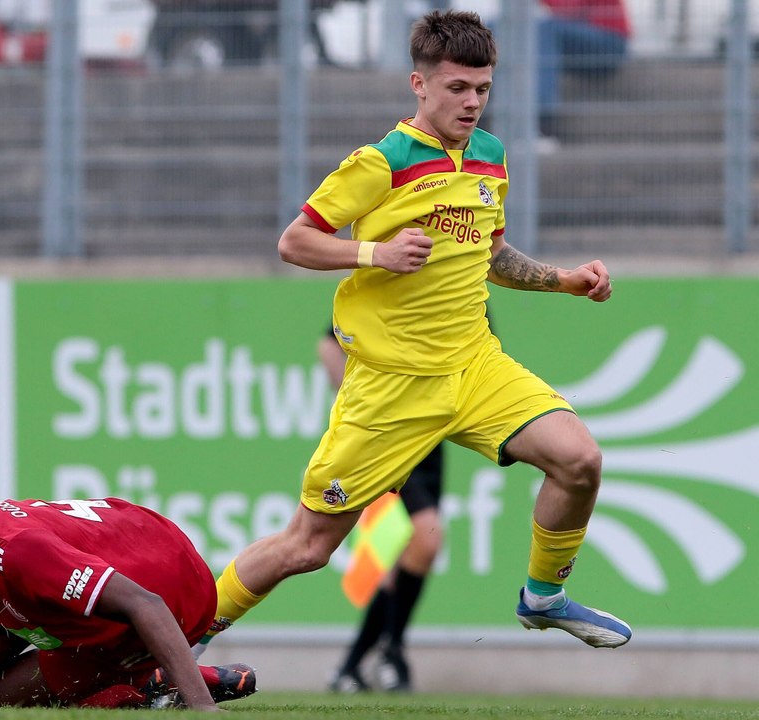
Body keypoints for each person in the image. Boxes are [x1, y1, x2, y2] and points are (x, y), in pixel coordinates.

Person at [195, 9, 631, 664]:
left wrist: (564, 279)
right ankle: (172, 642)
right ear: (419, 85)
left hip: (474, 366)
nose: (472, 102)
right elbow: (295, 241)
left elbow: (491, 255)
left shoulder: (491, 154)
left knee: (580, 461)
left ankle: (543, 596)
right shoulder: (381, 162)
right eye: (457, 88)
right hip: (391, 383)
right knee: (306, 548)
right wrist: (375, 253)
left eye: (482, 88)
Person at [0, 454, 257, 711]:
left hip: (173, 588)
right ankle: (157, 679)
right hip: (134, 561)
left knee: (80, 685)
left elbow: (145, 604)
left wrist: (205, 712)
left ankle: (165, 681)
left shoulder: (16, 552)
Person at [319, 330, 444, 694]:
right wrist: (362, 406)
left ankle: (352, 667)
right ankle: (391, 651)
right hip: (389, 435)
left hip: (431, 438)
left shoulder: (462, 284)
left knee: (403, 560)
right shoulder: (390, 275)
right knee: (427, 538)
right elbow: (329, 343)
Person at [538, 0, 631, 141]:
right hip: (583, 40)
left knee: (546, 28)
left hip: (611, 42)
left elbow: (571, 9)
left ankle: (544, 121)